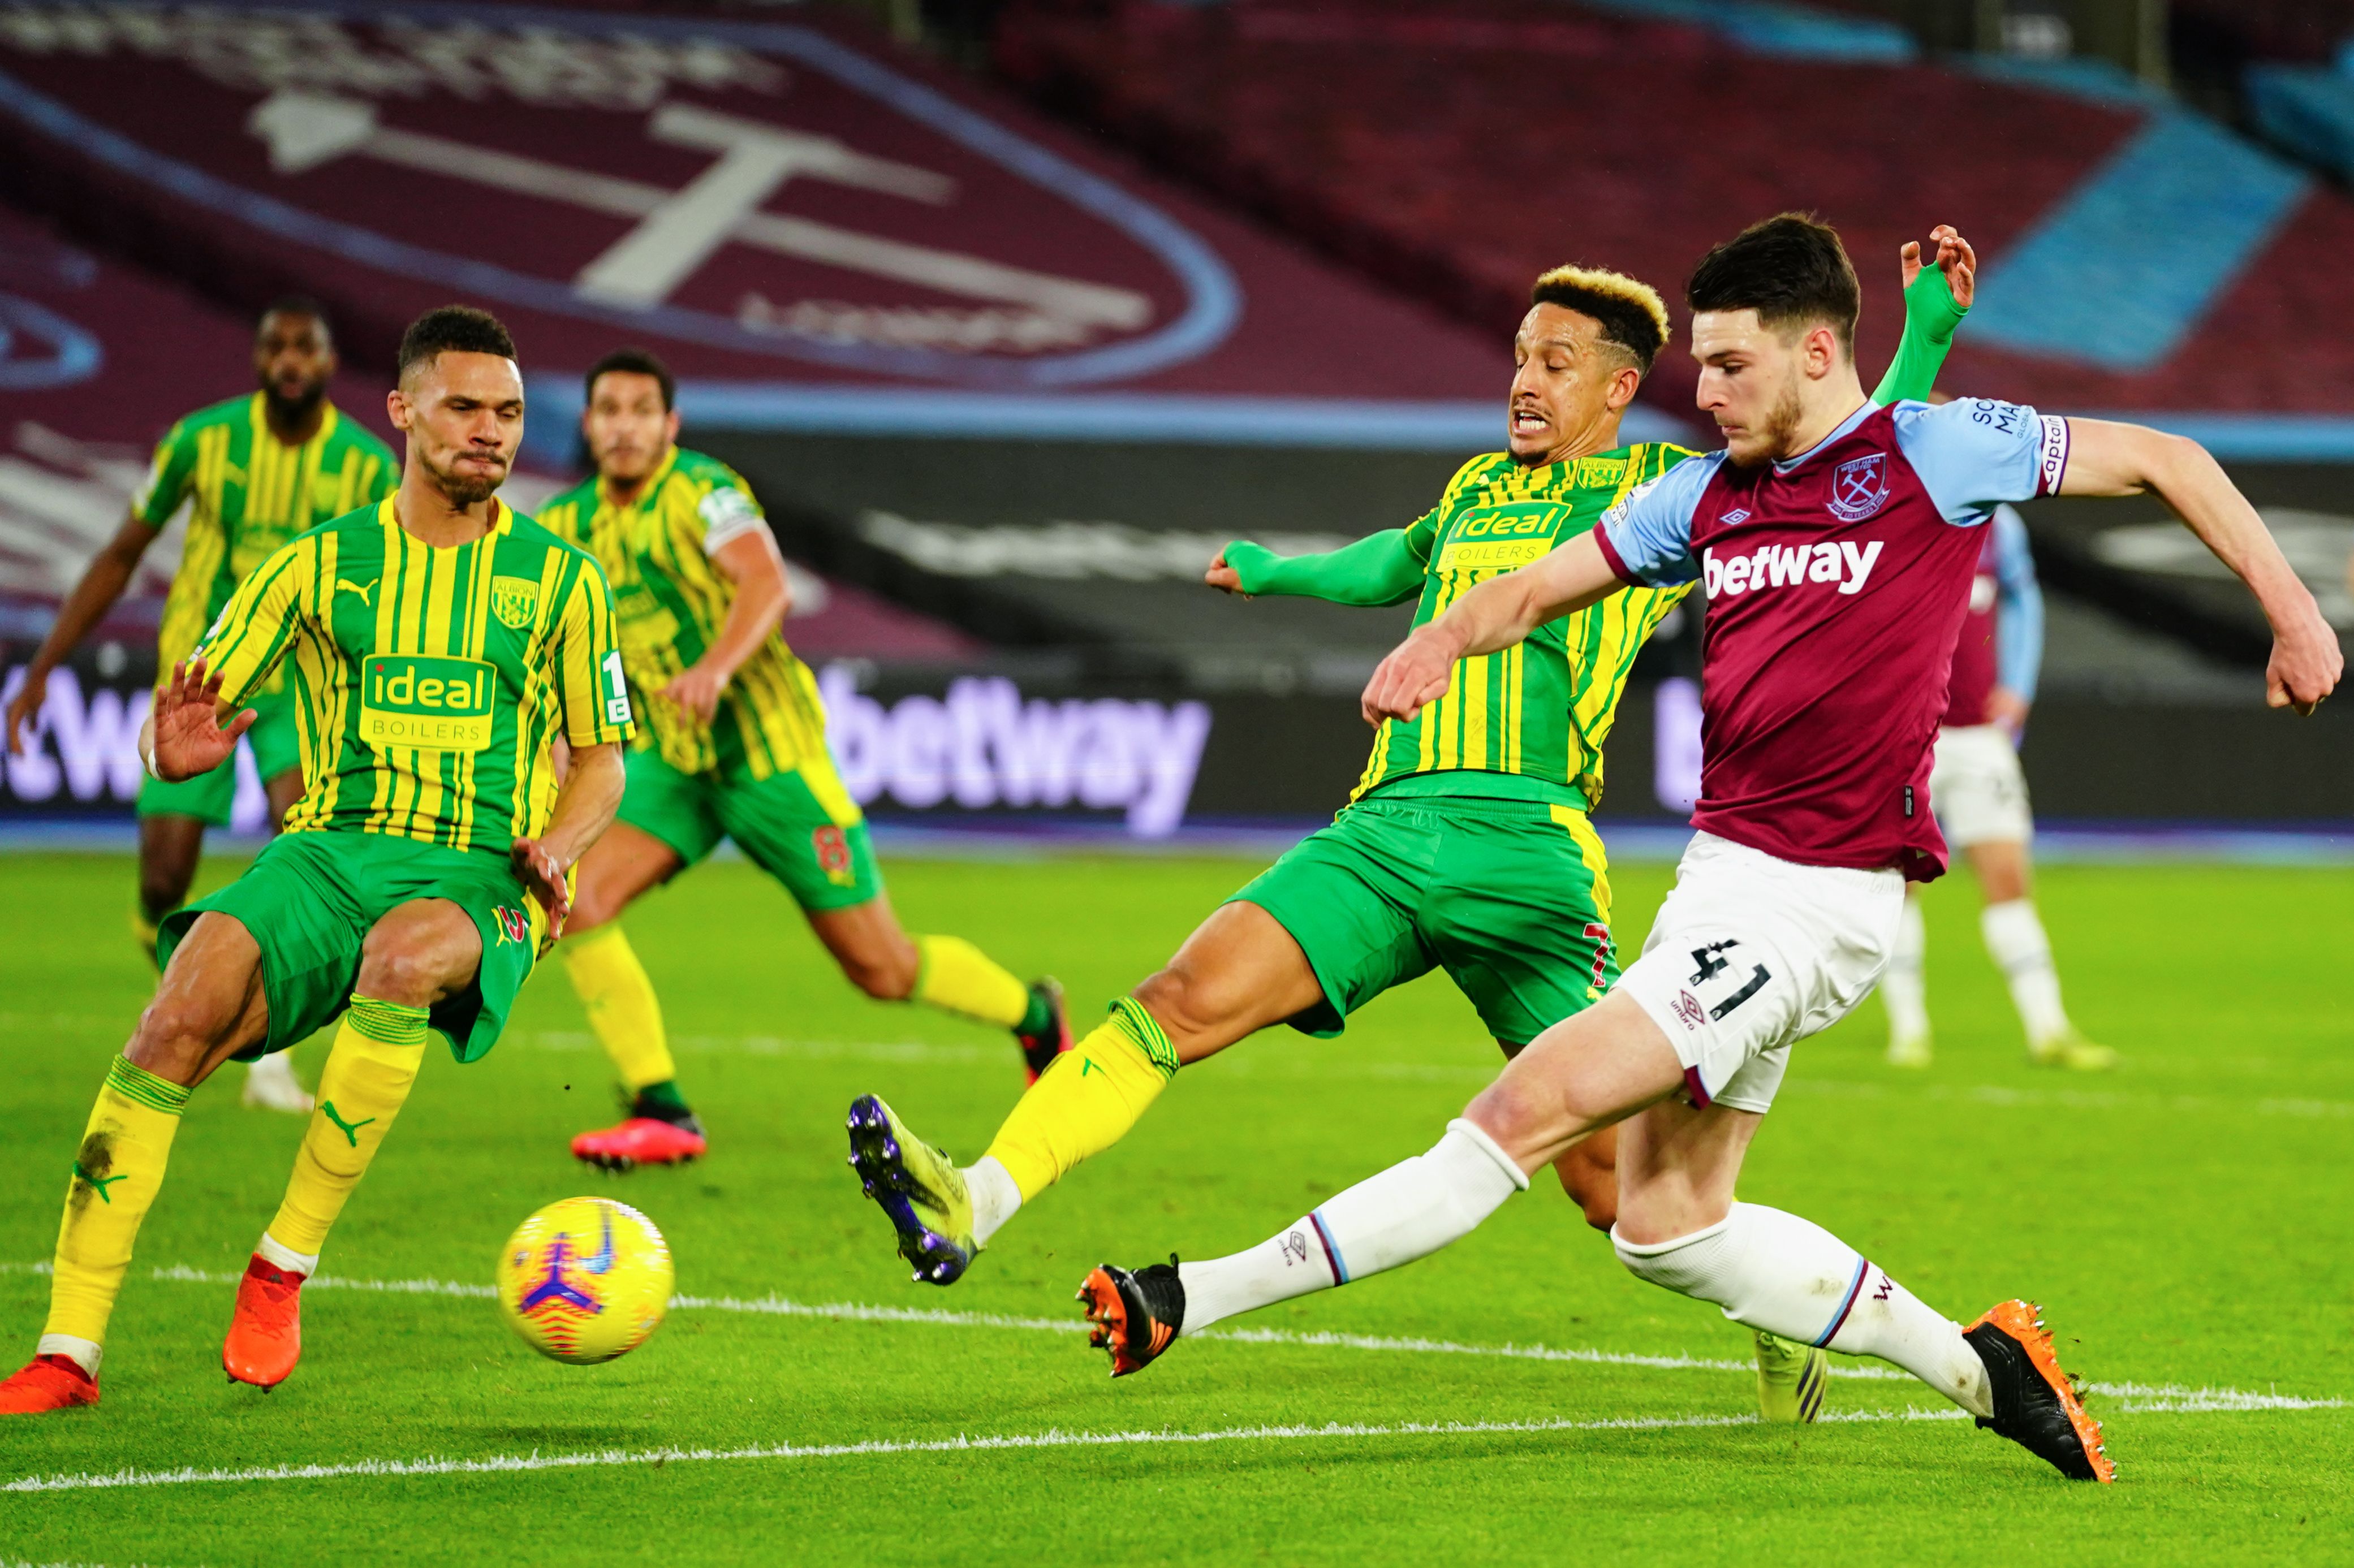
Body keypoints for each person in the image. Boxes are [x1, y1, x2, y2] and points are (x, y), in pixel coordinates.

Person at [1077, 214, 2338, 1484]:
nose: (1706, 393)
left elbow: (2166, 457)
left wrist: (2289, 615)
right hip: (1716, 885)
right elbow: (1532, 586)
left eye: (1730, 366)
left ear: (1814, 354)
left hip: (1817, 904)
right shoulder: (1704, 494)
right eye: (1701, 367)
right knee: (1663, 1225)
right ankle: (1982, 1368)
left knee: (1522, 1110)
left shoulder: (1936, 450)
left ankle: (1193, 1293)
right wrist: (1433, 643)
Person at [843, 227, 1973, 1427]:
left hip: (1529, 863)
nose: (1524, 383)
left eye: (1553, 363)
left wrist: (1925, 342)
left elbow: (1847, 458)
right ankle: (977, 1197)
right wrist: (1276, 574)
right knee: (1175, 1000)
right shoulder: (1475, 488)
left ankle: (1774, 1318)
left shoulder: (1666, 496)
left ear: (1617, 389)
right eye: (1517, 359)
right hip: (1379, 833)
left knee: (1609, 1187)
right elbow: (1395, 563)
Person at [0, 306, 636, 1414]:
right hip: (330, 851)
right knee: (175, 1010)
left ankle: (280, 1264)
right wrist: (171, 745)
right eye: (464, 407)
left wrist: (562, 843)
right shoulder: (318, 565)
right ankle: (68, 1349)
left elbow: (602, 762)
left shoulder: (565, 580)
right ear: (402, 411)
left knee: (398, 958)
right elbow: (186, 717)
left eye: (509, 413)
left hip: (485, 873)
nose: (490, 432)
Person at [538, 349, 1068, 1172]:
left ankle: (1033, 1015)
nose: (624, 426)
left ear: (670, 426)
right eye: (608, 410)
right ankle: (661, 1108)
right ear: (588, 423)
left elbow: (766, 584)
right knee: (578, 897)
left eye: (642, 411)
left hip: (771, 761)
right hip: (677, 766)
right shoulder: (566, 526)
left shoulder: (704, 492)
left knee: (881, 968)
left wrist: (713, 667)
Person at [4, 299, 398, 1113]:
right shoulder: (200, 440)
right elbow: (124, 552)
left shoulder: (364, 465)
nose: (290, 361)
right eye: (276, 347)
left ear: (328, 362)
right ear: (258, 360)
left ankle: (266, 1054)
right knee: (163, 877)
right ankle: (184, 999)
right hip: (201, 683)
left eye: (306, 348)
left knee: (310, 857)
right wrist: (43, 668)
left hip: (304, 689)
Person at [1881, 492, 2115, 1070]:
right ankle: (1909, 1031)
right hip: (1902, 741)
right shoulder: (1882, 515)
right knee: (1897, 888)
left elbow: (2021, 597)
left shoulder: (1996, 522)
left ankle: (2048, 1029)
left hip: (1978, 736)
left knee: (2007, 878)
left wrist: (2019, 685)